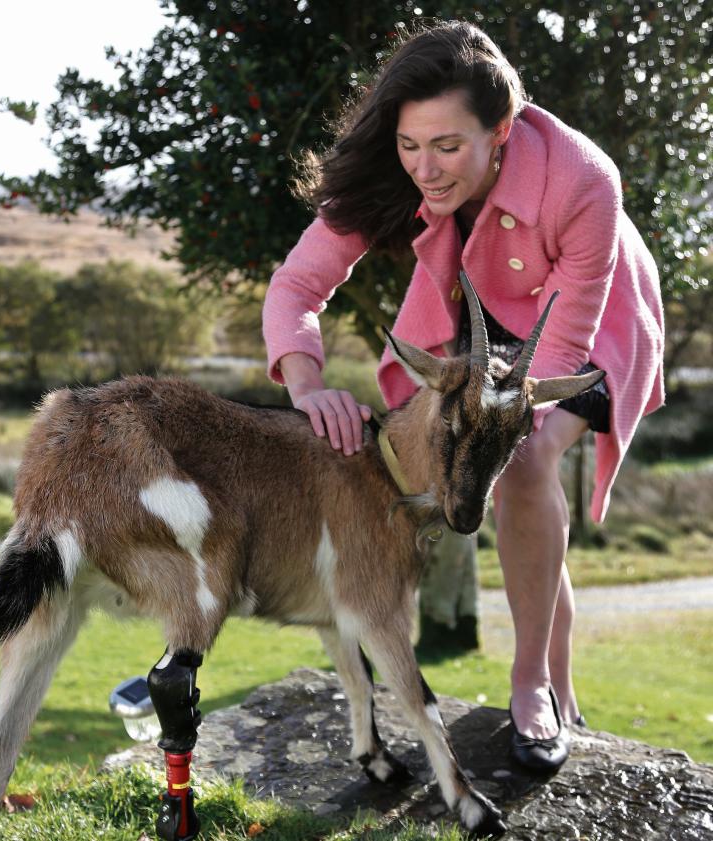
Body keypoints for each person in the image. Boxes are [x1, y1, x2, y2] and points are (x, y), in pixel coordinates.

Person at [262, 20, 664, 769]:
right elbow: (298, 283)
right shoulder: (398, 169)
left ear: (501, 130)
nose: (426, 168)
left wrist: (504, 433)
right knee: (522, 495)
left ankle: (532, 685)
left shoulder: (584, 180)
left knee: (530, 458)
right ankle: (562, 674)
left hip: (590, 319)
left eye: (447, 146)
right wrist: (307, 381)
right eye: (411, 145)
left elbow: (564, 345)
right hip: (488, 320)